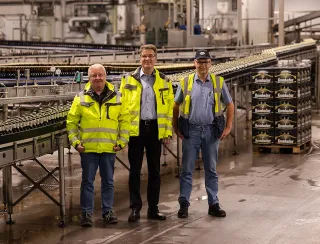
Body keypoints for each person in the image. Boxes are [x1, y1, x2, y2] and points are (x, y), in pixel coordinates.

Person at [172, 50, 234, 218]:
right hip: (190, 131)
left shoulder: (218, 82)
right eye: (200, 62)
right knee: (186, 170)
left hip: (211, 131)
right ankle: (184, 204)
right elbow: (176, 106)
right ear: (195, 64)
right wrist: (175, 127)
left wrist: (228, 127)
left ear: (210, 63)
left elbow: (229, 105)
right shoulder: (185, 82)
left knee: (211, 170)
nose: (203, 65)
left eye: (206, 62)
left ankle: (213, 204)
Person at [67, 64, 130, 227]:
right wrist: (75, 142)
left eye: (100, 75)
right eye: (94, 75)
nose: (97, 78)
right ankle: (86, 213)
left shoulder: (118, 97)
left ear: (105, 76)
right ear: (89, 78)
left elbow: (125, 121)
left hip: (109, 148)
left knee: (108, 182)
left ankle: (107, 211)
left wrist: (122, 141)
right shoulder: (80, 98)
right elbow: (71, 122)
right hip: (88, 149)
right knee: (87, 182)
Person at [120, 44, 174, 222]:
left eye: (150, 56)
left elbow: (168, 110)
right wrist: (123, 133)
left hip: (155, 130)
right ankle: (135, 208)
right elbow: (121, 109)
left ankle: (153, 208)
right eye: (144, 56)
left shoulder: (164, 81)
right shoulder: (128, 80)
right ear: (139, 58)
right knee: (134, 171)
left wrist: (167, 133)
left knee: (155, 171)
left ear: (156, 58)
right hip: (136, 130)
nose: (147, 59)